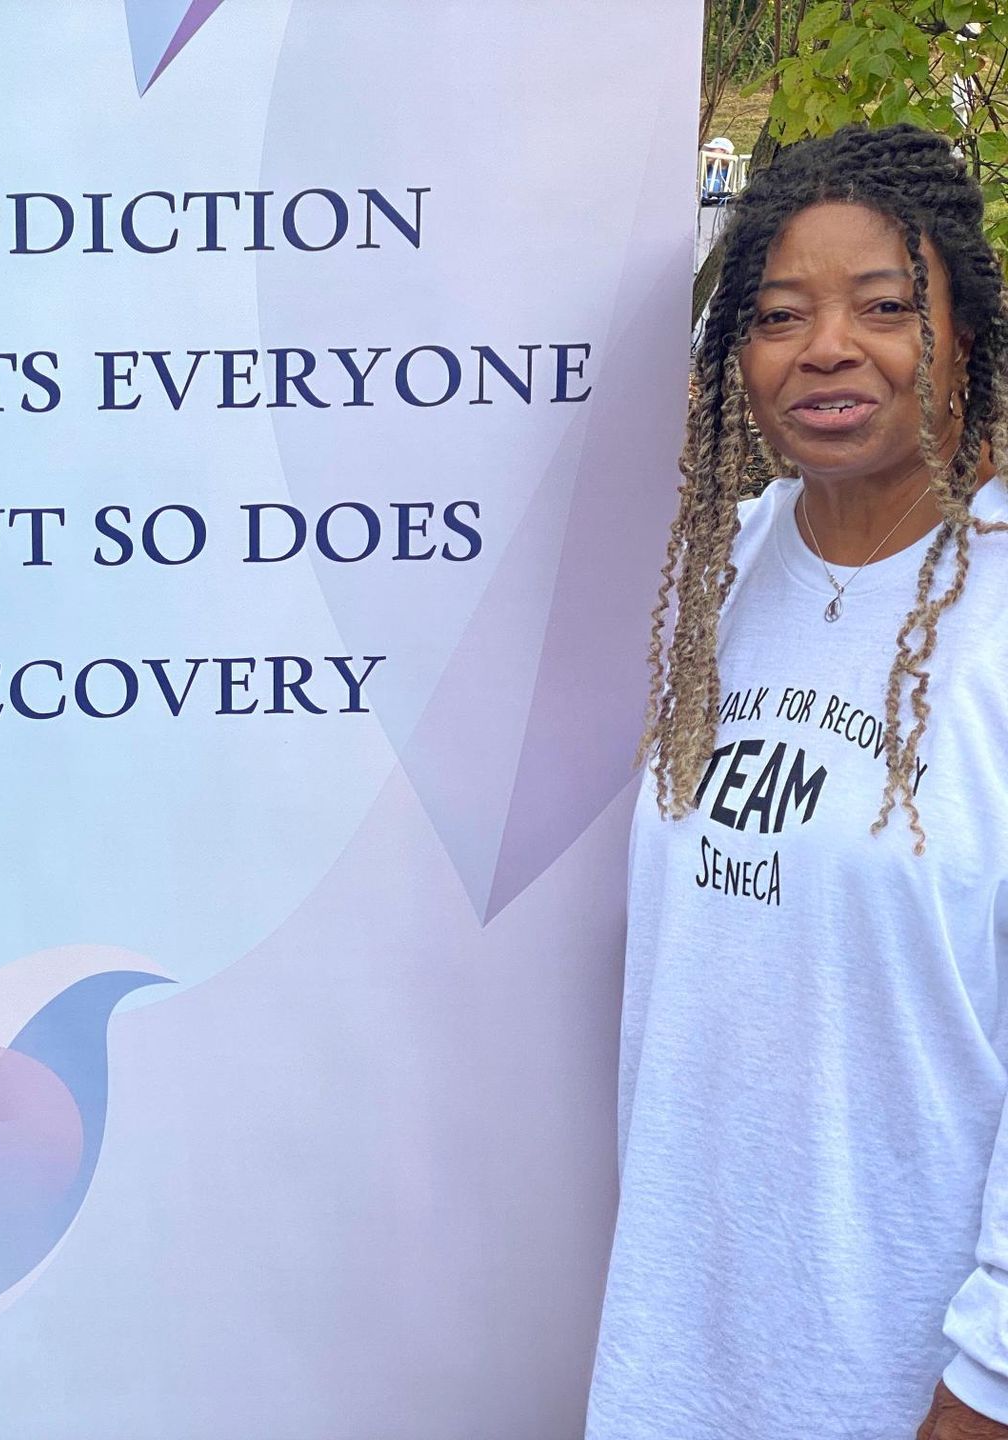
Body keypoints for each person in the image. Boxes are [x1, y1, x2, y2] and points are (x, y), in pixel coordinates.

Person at [588, 122, 1008, 1440]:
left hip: (907, 1382)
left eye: (885, 306)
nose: (827, 345)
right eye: (779, 314)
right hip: (675, 1360)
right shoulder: (717, 580)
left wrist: (986, 1388)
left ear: (968, 327)